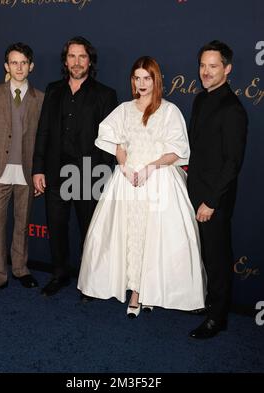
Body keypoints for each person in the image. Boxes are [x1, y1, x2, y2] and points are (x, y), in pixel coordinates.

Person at [77, 56, 206, 318]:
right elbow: (117, 144)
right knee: (129, 235)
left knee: (155, 237)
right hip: (127, 180)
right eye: (137, 78)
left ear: (156, 80)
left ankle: (147, 291)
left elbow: (177, 152)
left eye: (147, 78)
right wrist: (124, 167)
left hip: (159, 179)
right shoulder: (124, 109)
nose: (141, 83)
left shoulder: (169, 111)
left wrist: (149, 168)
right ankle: (133, 290)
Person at [33, 36, 118, 297]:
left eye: (82, 56)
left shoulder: (105, 94)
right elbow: (43, 131)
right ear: (65, 60)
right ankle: (59, 275)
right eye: (72, 56)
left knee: (89, 232)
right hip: (56, 172)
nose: (77, 62)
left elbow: (111, 140)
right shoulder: (53, 90)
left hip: (89, 174)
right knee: (56, 227)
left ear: (89, 61)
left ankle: (89, 281)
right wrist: (38, 168)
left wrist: (102, 174)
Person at [187, 41, 248, 339]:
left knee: (218, 258)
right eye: (202, 65)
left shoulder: (233, 109)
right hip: (195, 192)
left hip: (215, 200)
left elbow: (232, 163)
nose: (206, 72)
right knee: (204, 255)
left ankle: (218, 318)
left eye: (213, 66)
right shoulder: (200, 100)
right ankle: (210, 304)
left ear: (227, 69)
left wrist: (210, 202)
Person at [0, 42, 44, 299]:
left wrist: (40, 173)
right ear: (6, 66)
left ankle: (20, 268)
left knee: (21, 224)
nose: (18, 67)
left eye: (23, 62)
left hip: (26, 172)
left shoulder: (40, 99)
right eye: (13, 62)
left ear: (31, 66)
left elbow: (42, 140)